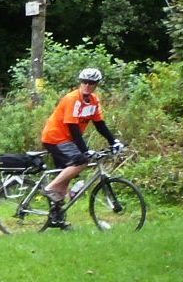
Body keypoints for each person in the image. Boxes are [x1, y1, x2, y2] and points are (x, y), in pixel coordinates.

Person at [40, 67, 125, 226]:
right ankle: (50, 188)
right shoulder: (73, 99)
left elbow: (100, 124)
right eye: (84, 82)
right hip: (55, 137)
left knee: (67, 175)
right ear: (80, 82)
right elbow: (72, 127)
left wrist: (114, 141)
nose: (87, 85)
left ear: (96, 84)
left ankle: (57, 217)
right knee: (81, 161)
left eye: (91, 83)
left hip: (68, 139)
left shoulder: (94, 101)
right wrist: (85, 151)